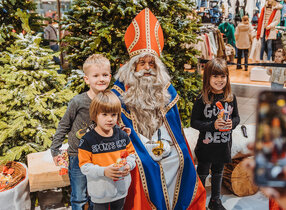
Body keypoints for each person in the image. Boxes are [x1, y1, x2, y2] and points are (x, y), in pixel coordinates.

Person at [111, 8, 206, 210]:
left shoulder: (164, 87)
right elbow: (124, 129)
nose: (147, 68)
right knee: (145, 165)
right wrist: (147, 145)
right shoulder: (119, 92)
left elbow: (171, 124)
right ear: (132, 65)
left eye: (151, 63)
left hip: (163, 141)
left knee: (182, 159)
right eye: (142, 63)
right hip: (136, 145)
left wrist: (162, 143)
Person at [50, 54, 111, 210]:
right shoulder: (78, 102)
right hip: (78, 155)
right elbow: (64, 125)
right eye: (96, 75)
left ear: (110, 76)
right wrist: (55, 150)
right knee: (79, 196)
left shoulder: (110, 101)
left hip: (99, 155)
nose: (101, 79)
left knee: (96, 194)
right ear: (86, 79)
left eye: (105, 75)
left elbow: (113, 123)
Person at [191, 58, 240, 210]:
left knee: (218, 173)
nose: (219, 80)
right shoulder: (202, 99)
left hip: (223, 145)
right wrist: (213, 125)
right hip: (206, 147)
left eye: (222, 76)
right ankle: (198, 201)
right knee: (203, 174)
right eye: (215, 76)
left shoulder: (230, 98)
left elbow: (237, 117)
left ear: (227, 77)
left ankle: (215, 201)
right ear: (208, 78)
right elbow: (194, 122)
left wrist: (233, 123)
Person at [78, 90, 136, 210]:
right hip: (100, 192)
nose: (110, 119)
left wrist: (129, 165)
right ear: (95, 115)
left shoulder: (123, 135)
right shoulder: (87, 140)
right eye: (104, 114)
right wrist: (104, 171)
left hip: (121, 189)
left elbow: (131, 155)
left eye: (113, 115)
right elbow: (85, 166)